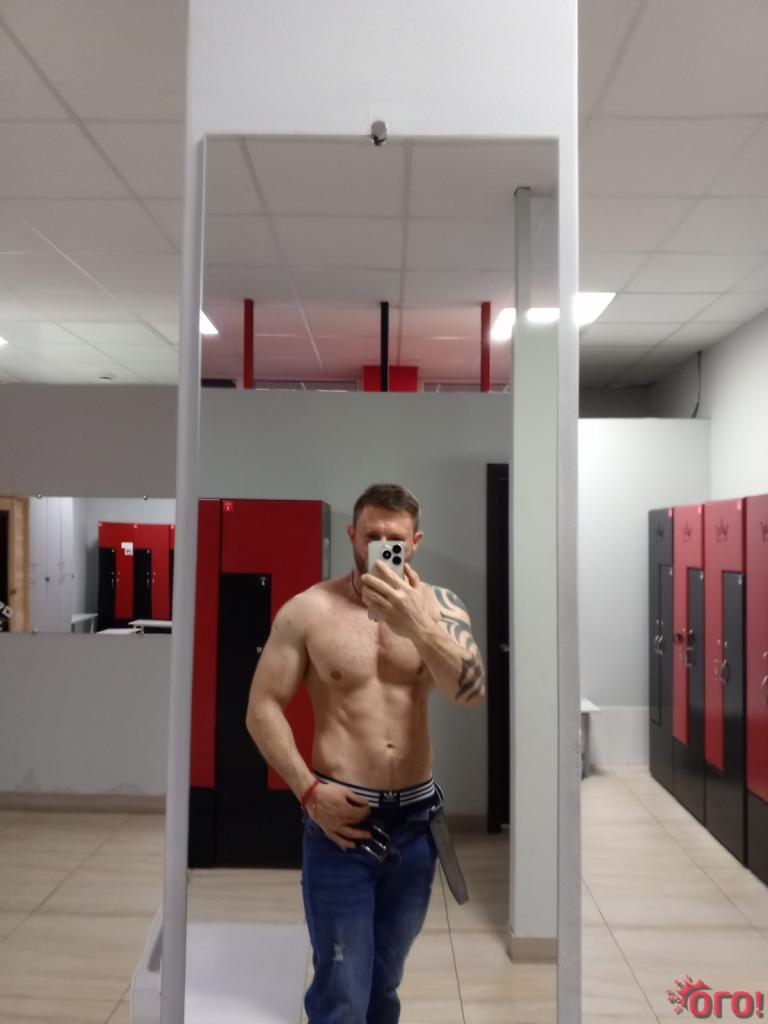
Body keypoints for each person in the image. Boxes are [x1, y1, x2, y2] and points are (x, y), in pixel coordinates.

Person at [245, 483, 486, 1024]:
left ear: (415, 542)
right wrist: (309, 792)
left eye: (394, 538)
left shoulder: (442, 607)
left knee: (383, 984)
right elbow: (260, 708)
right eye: (371, 535)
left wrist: (417, 626)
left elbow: (470, 693)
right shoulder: (308, 611)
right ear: (352, 535)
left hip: (416, 827)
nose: (382, 545)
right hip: (340, 825)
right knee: (343, 994)